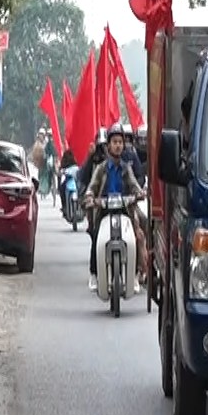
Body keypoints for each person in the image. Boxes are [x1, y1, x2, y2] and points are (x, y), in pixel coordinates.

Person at [82, 125, 146, 292]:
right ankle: (94, 274)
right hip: (104, 211)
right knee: (96, 238)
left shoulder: (127, 168)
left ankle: (135, 274)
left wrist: (139, 193)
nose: (118, 145)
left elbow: (134, 184)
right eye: (114, 142)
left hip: (125, 209)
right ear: (108, 145)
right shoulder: (101, 168)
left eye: (120, 142)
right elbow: (92, 186)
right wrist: (90, 196)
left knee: (136, 235)